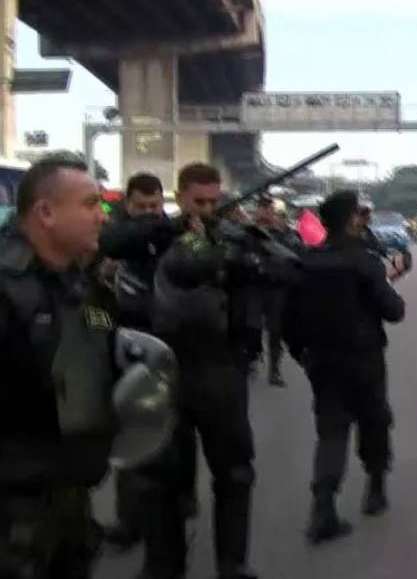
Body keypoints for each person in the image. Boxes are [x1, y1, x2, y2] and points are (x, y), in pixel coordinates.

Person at [141, 163, 257, 579]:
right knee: (161, 480)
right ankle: (162, 566)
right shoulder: (154, 238)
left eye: (214, 201)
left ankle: (232, 564)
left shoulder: (231, 238)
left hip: (220, 368)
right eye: (199, 201)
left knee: (235, 474)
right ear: (180, 197)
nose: (208, 208)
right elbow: (99, 309)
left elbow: (273, 272)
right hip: (161, 369)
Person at [0, 155, 114, 578]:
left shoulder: (77, 280)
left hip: (66, 482)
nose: (101, 216)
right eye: (89, 204)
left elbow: (100, 331)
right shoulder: (6, 285)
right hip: (16, 499)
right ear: (45, 212)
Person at [282, 191, 405, 544]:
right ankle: (376, 488)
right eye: (360, 213)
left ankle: (323, 508)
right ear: (351, 219)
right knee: (374, 421)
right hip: (363, 359)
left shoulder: (305, 261)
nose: (364, 219)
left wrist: (299, 353)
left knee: (332, 432)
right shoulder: (364, 262)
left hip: (322, 360)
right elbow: (393, 311)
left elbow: (287, 317)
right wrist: (388, 281)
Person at [95, 173, 187, 551]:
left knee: (169, 441)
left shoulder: (174, 235)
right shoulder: (115, 235)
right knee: (130, 439)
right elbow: (114, 243)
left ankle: (169, 515)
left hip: (167, 347)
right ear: (127, 204)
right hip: (122, 345)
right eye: (141, 207)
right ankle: (130, 521)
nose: (149, 214)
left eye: (155, 207)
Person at [256, 196, 303, 387]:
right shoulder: (255, 233)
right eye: (265, 209)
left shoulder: (291, 236)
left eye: (273, 212)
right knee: (251, 328)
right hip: (257, 287)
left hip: (282, 289)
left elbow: (299, 257)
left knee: (276, 330)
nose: (270, 214)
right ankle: (252, 355)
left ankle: (274, 369)